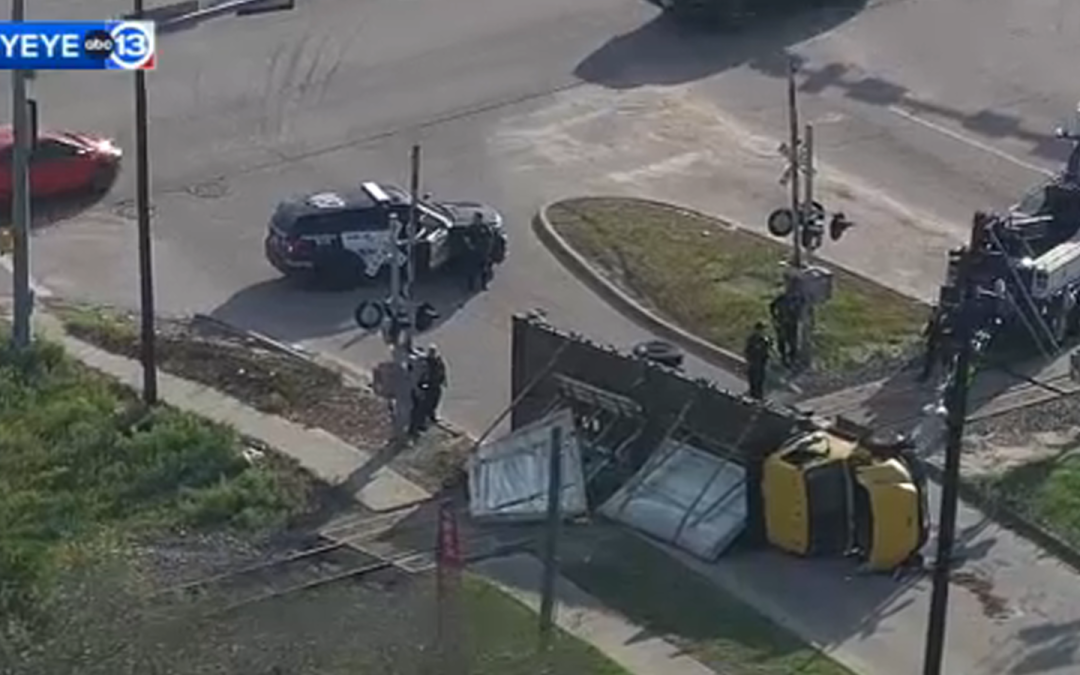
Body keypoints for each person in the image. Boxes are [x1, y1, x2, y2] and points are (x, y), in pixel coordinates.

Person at [418, 345, 447, 426]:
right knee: (429, 401)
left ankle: (432, 415)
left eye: (433, 351)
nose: (432, 353)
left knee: (436, 399)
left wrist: (444, 379)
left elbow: (442, 370)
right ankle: (429, 415)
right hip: (429, 384)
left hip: (436, 383)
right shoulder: (426, 361)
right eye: (431, 351)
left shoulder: (438, 360)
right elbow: (423, 372)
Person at [769, 291, 799, 368]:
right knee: (782, 341)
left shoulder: (797, 298)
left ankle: (792, 360)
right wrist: (774, 317)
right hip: (781, 322)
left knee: (792, 342)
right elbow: (772, 306)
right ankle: (783, 358)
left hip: (792, 323)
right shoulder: (782, 298)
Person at [744, 322, 772, 400]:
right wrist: (749, 359)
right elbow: (748, 350)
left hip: (761, 363)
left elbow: (768, 347)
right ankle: (753, 393)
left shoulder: (764, 339)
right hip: (754, 362)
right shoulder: (752, 339)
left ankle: (759, 395)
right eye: (761, 329)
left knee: (760, 379)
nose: (762, 331)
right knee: (753, 378)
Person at [918, 305, 945, 382]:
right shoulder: (935, 319)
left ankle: (936, 377)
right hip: (934, 340)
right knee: (931, 358)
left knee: (938, 359)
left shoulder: (943, 319)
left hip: (940, 340)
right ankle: (927, 375)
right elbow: (930, 327)